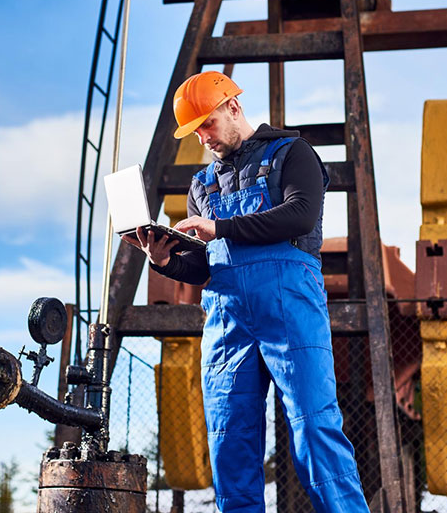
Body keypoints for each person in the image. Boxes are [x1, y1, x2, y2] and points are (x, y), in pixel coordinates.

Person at [123, 71, 370, 513]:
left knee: (315, 430)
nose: (203, 138)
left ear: (233, 108)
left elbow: (298, 215)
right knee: (229, 442)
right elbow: (203, 266)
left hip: (290, 311)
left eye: (207, 124)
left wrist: (219, 227)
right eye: (195, 131)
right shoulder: (202, 186)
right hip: (226, 323)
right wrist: (164, 259)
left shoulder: (292, 154)